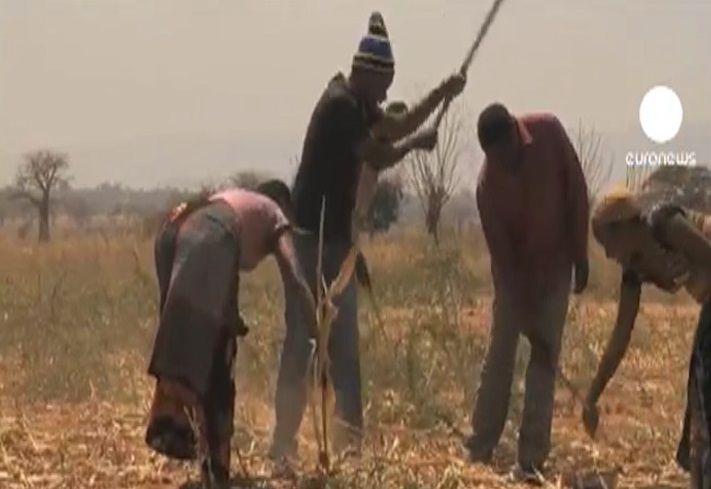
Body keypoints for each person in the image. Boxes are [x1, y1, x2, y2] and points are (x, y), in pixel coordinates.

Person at [270, 11, 466, 459]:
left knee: (343, 351)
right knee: (301, 344)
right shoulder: (340, 105)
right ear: (364, 73)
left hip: (337, 241)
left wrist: (442, 93)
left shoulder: (357, 103)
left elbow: (396, 126)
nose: (386, 95)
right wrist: (416, 146)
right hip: (310, 239)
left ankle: (351, 451)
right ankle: (282, 448)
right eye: (383, 84)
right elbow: (380, 150)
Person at [145, 180, 316, 489]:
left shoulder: (232, 201)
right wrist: (316, 324)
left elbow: (221, 284)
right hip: (207, 235)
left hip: (172, 230)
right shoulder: (274, 213)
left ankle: (193, 443)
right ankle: (215, 469)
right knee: (219, 363)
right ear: (282, 204)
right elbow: (294, 273)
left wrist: (230, 318)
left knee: (184, 346)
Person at [467, 103, 589, 480]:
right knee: (501, 354)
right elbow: (503, 258)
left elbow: (577, 193)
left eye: (505, 152)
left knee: (543, 358)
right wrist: (519, 302)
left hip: (554, 269)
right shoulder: (488, 188)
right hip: (515, 277)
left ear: (515, 135)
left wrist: (580, 255)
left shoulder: (549, 134)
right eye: (494, 157)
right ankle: (480, 445)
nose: (503, 161)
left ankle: (531, 458)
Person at [583, 188, 711, 489]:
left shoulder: (664, 223)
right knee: (701, 405)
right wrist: (592, 397)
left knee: (704, 388)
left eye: (608, 242)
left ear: (626, 225)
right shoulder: (635, 271)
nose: (609, 255)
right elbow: (620, 337)